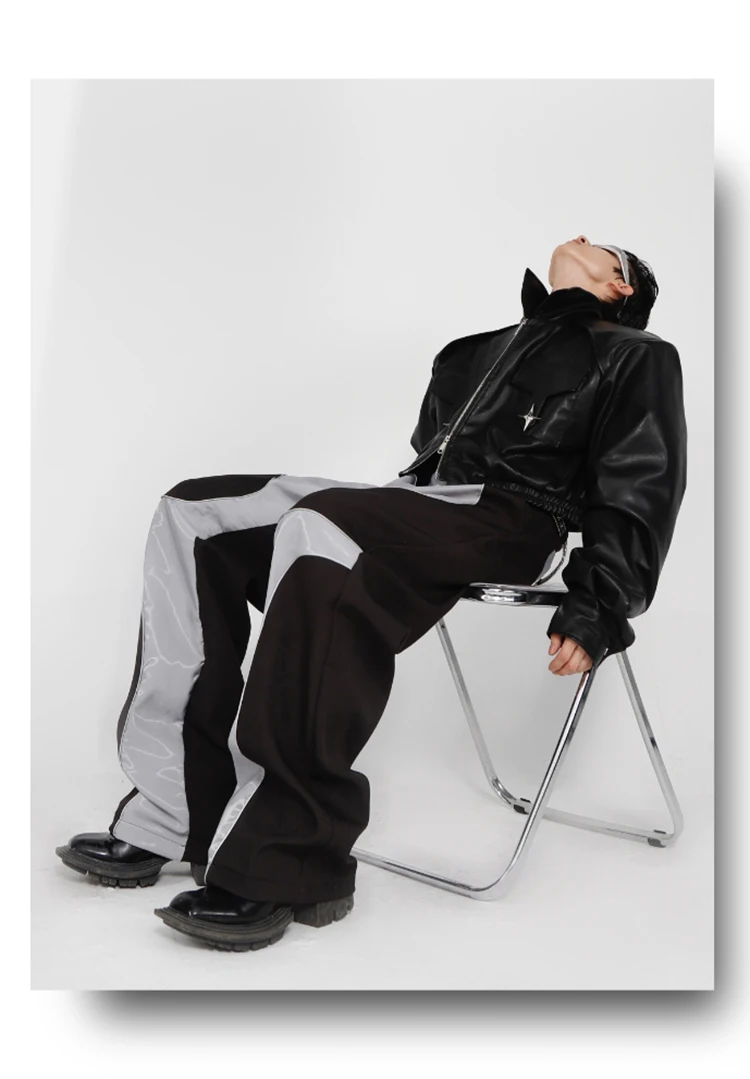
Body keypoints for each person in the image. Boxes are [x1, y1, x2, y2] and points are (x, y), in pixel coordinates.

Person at [55, 235, 688, 952]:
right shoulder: (472, 350)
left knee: (327, 530)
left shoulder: (637, 355)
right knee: (193, 513)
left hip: (516, 518)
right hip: (423, 502)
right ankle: (178, 810)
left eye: (601, 247)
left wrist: (600, 600)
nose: (577, 239)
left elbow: (642, 486)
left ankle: (288, 858)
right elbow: (427, 460)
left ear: (619, 286)